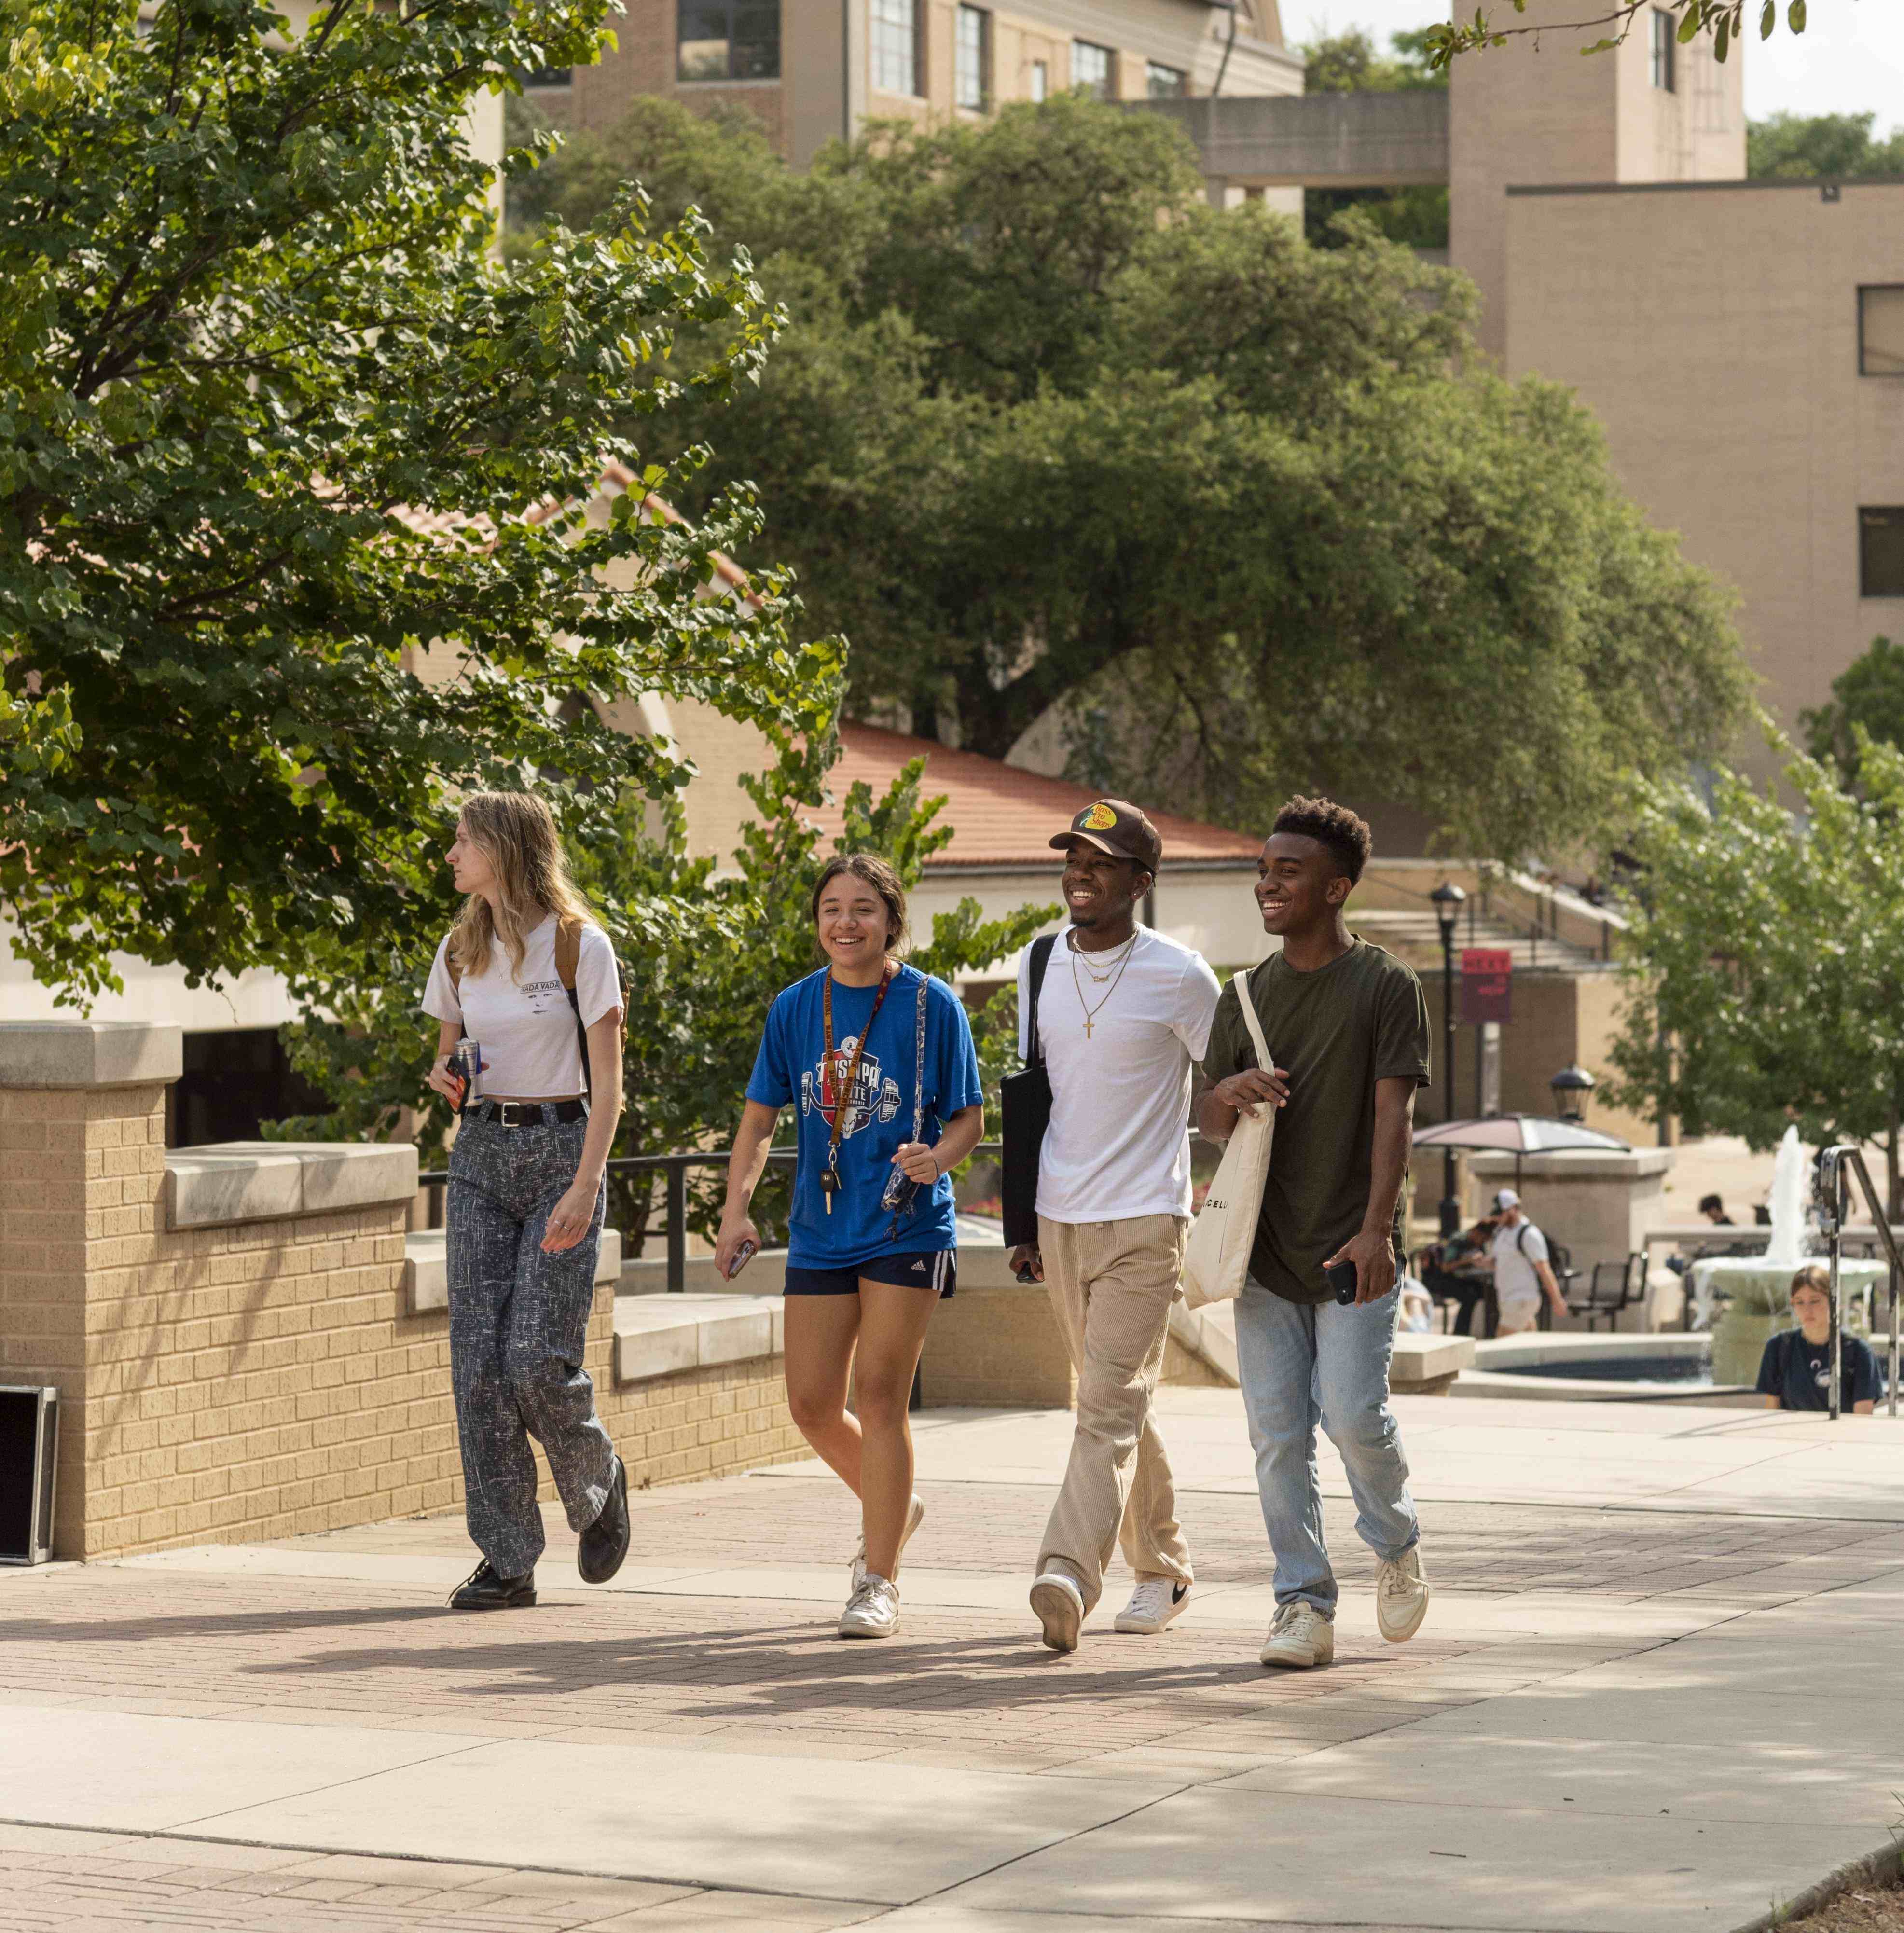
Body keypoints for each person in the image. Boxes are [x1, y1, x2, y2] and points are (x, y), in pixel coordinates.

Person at [716, 856, 984, 1640]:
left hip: (906, 1221)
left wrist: (941, 1156)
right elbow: (759, 1123)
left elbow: (968, 1118)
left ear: (891, 919)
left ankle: (878, 1579)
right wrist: (735, 1210)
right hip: (822, 1228)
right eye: (831, 909)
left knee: (878, 1392)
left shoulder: (933, 1006)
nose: (845, 923)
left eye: (862, 909)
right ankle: (891, 1499)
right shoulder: (796, 1008)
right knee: (809, 1404)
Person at [1199, 796, 1431, 1671]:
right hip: (1263, 1250)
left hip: (1351, 1253)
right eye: (1263, 868)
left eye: (1286, 871)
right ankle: (1302, 1602)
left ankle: (1396, 1542)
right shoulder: (1242, 996)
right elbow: (1209, 1121)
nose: (1267, 882)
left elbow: (1393, 1120)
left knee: (1353, 1414)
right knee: (1277, 1435)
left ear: (1335, 888)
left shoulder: (1384, 986)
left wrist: (1378, 1232)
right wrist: (1226, 1095)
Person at [1012, 800, 1221, 1653]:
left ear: (1141, 881)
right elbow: (1034, 1091)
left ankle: (1067, 1572)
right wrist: (1023, 1219)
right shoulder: (1036, 960)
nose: (1079, 874)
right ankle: (1164, 1564)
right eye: (1073, 858)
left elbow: (1232, 1082)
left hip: (1145, 1218)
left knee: (1102, 1408)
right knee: (1113, 1401)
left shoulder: (1181, 975)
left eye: (1099, 863)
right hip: (1060, 1217)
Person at [422, 791, 631, 1611]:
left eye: (464, 840)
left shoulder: (582, 946)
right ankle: (507, 1560)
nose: (451, 854)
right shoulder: (457, 949)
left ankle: (597, 1478)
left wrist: (584, 1184)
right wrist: (445, 1081)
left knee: (534, 1358)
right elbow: (448, 1067)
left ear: (506, 847)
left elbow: (610, 1084)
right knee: (476, 1370)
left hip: (560, 1155)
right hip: (480, 1153)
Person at [1757, 1265, 1883, 1414]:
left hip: (1840, 1436)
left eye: (1815, 1301)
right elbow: (1771, 1409)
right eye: (1799, 1302)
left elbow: (1863, 1417)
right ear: (1792, 1304)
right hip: (1791, 1436)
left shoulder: (1859, 1351)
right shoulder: (1778, 1347)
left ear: (1834, 1301)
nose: (1807, 1310)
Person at [1486, 1188, 1569, 1336]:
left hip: (1522, 1298)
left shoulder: (1530, 1234)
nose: (1498, 1217)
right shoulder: (1502, 1233)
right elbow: (1499, 1262)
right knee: (1528, 1341)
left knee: (1502, 1341)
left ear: (1513, 1210)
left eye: (1501, 1213)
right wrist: (1482, 1262)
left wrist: (1557, 1300)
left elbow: (1544, 1269)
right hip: (1507, 1297)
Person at [1421, 1213, 1500, 1337]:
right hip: (1441, 1281)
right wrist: (1466, 1261)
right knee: (1470, 1297)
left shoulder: (1479, 1244)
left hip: (1462, 1280)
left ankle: (1492, 1332)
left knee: (1489, 1292)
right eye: (1482, 1239)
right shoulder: (1458, 1241)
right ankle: (1460, 1335)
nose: (1482, 1243)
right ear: (1476, 1232)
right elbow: (1445, 1268)